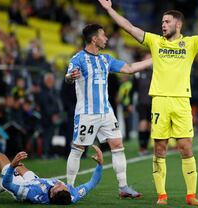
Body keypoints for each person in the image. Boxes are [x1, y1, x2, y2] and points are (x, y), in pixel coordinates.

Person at [96, 0, 198, 206]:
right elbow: (129, 28)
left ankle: (191, 195)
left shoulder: (191, 43)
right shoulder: (155, 42)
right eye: (162, 22)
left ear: (178, 24)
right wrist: (110, 10)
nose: (163, 25)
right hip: (159, 101)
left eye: (167, 22)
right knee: (160, 148)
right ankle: (162, 196)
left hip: (181, 102)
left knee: (186, 147)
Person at [65, 24, 152, 198]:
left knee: (118, 145)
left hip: (106, 112)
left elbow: (129, 68)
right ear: (94, 39)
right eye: (103, 36)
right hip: (87, 114)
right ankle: (68, 188)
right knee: (78, 149)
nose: (106, 38)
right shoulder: (78, 59)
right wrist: (70, 77)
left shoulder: (106, 59)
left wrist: (156, 58)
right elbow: (68, 76)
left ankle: (123, 187)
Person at [0, 145, 103, 204]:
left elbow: (8, 183)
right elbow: (92, 183)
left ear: (52, 193)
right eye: (65, 187)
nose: (61, 183)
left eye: (58, 186)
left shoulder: (32, 193)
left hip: (22, 184)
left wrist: (12, 166)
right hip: (36, 180)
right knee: (21, 167)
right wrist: (100, 164)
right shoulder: (71, 196)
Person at [131, 52, 153, 156]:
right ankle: (141, 148)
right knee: (143, 124)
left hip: (153, 102)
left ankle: (145, 147)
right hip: (142, 103)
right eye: (147, 58)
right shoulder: (138, 73)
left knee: (149, 125)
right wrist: (130, 103)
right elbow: (133, 89)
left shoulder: (155, 72)